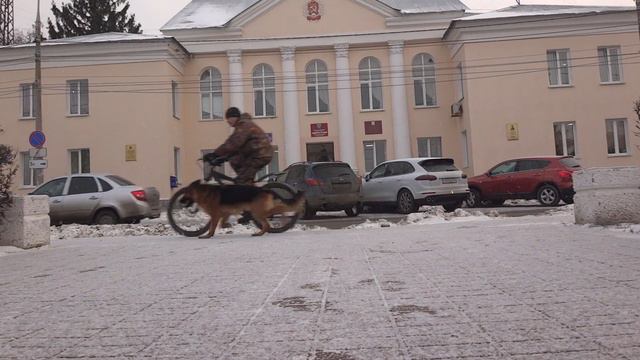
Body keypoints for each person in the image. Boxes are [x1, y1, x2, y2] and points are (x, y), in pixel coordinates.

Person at [206, 107, 273, 185]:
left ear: (235, 117)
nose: (227, 121)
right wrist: (223, 157)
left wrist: (215, 154)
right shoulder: (242, 125)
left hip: (259, 155)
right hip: (258, 154)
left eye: (228, 118)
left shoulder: (244, 125)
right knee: (239, 168)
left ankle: (253, 194)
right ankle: (251, 191)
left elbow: (233, 143)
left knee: (242, 181)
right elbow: (237, 147)